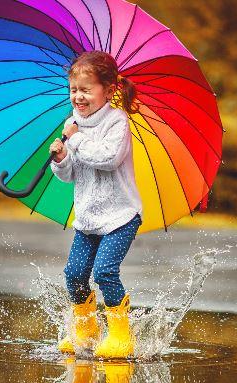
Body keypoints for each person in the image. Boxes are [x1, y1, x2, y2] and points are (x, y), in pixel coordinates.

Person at [49, 51, 142, 358]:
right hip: (89, 216)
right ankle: (86, 330)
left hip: (120, 216)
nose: (79, 96)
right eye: (74, 89)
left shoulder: (117, 122)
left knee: (104, 272)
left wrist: (73, 140)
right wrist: (61, 159)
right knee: (74, 274)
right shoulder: (72, 123)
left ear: (110, 89)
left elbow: (106, 159)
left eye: (86, 89)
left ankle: (120, 335)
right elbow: (71, 174)